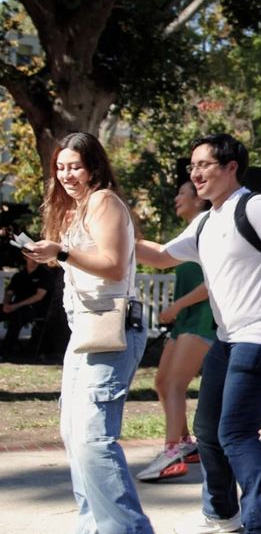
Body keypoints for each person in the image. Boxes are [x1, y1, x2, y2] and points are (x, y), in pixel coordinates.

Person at [136, 134, 261, 533]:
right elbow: (160, 256)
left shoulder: (257, 207)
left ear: (231, 167)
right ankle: (222, 515)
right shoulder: (205, 221)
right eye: (192, 166)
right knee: (207, 430)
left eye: (204, 165)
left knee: (236, 432)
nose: (195, 174)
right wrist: (106, 238)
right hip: (229, 337)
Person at [23, 132, 152, 533]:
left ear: (93, 167)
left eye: (75, 167)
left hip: (112, 326)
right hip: (86, 328)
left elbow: (113, 265)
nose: (66, 175)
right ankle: (93, 526)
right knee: (74, 434)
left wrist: (61, 251)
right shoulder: (76, 209)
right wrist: (49, 252)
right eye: (60, 168)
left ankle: (128, 529)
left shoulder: (103, 201)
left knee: (94, 438)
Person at [136, 181, 214, 482]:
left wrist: (177, 305)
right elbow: (160, 254)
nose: (176, 197)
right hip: (185, 320)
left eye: (183, 192)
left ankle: (172, 454)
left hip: (202, 319)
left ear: (199, 199)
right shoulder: (189, 232)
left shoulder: (207, 228)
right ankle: (185, 444)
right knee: (162, 382)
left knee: (175, 384)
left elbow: (211, 283)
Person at [0, 257, 52, 358]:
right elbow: (9, 292)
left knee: (17, 316)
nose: (33, 260)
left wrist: (16, 306)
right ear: (25, 258)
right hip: (15, 306)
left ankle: (6, 351)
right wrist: (6, 304)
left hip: (35, 309)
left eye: (36, 258)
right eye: (31, 258)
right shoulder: (19, 275)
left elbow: (39, 296)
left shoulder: (44, 275)